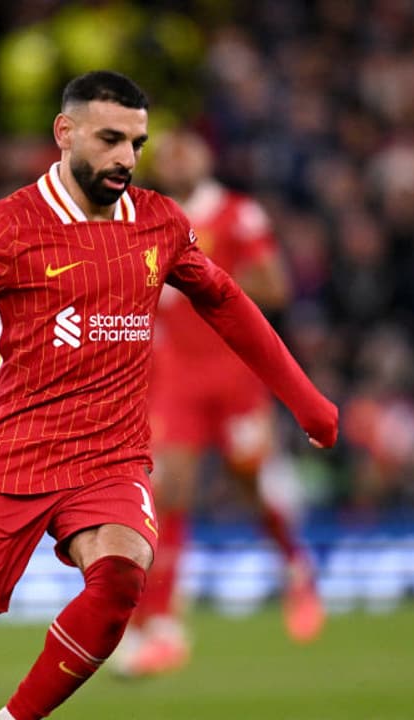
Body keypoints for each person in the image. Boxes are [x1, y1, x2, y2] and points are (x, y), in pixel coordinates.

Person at [0, 70, 338, 720]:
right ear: (65, 132)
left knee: (121, 576)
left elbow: (226, 300)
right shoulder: (7, 224)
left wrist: (304, 399)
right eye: (110, 139)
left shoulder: (160, 222)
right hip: (13, 456)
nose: (126, 158)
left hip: (111, 457)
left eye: (136, 143)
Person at [117, 129, 323, 678]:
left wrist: (205, 280)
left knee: (249, 482)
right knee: (170, 491)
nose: (177, 161)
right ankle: (162, 627)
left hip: (234, 375)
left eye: (186, 152)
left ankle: (296, 569)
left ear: (205, 159)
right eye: (168, 156)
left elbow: (276, 288)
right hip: (176, 377)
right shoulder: (145, 220)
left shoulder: (237, 215)